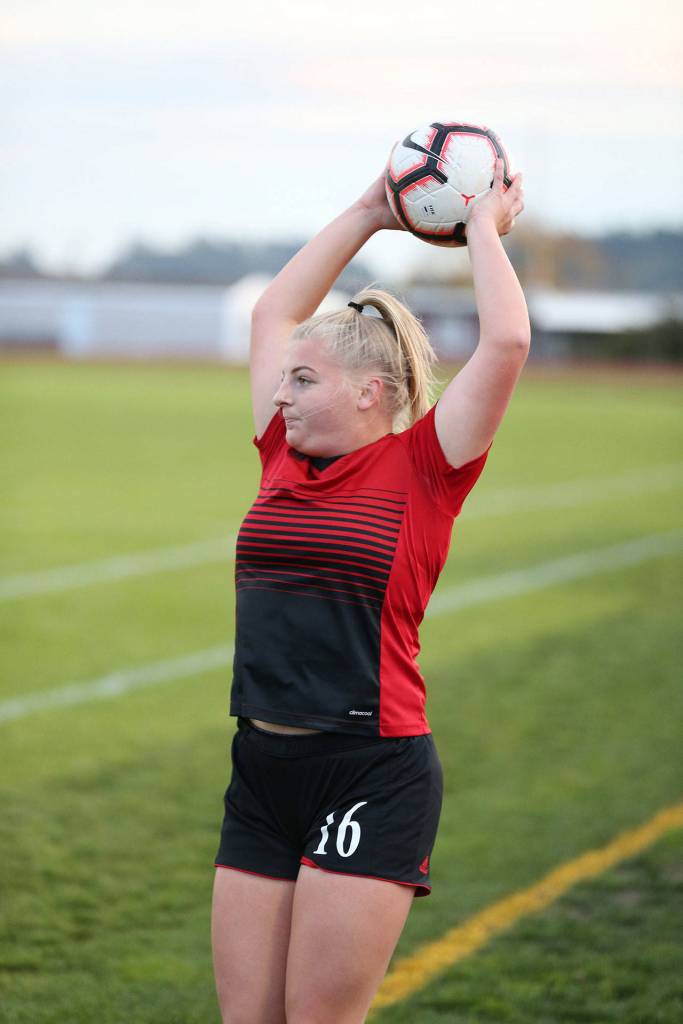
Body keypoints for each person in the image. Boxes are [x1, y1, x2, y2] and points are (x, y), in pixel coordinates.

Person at [211, 154, 527, 1024]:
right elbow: (275, 311)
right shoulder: (282, 456)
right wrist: (364, 210)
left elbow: (505, 343)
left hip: (370, 769)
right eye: (284, 379)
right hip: (262, 765)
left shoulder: (426, 467)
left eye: (301, 381)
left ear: (370, 392)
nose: (280, 395)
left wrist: (476, 228)